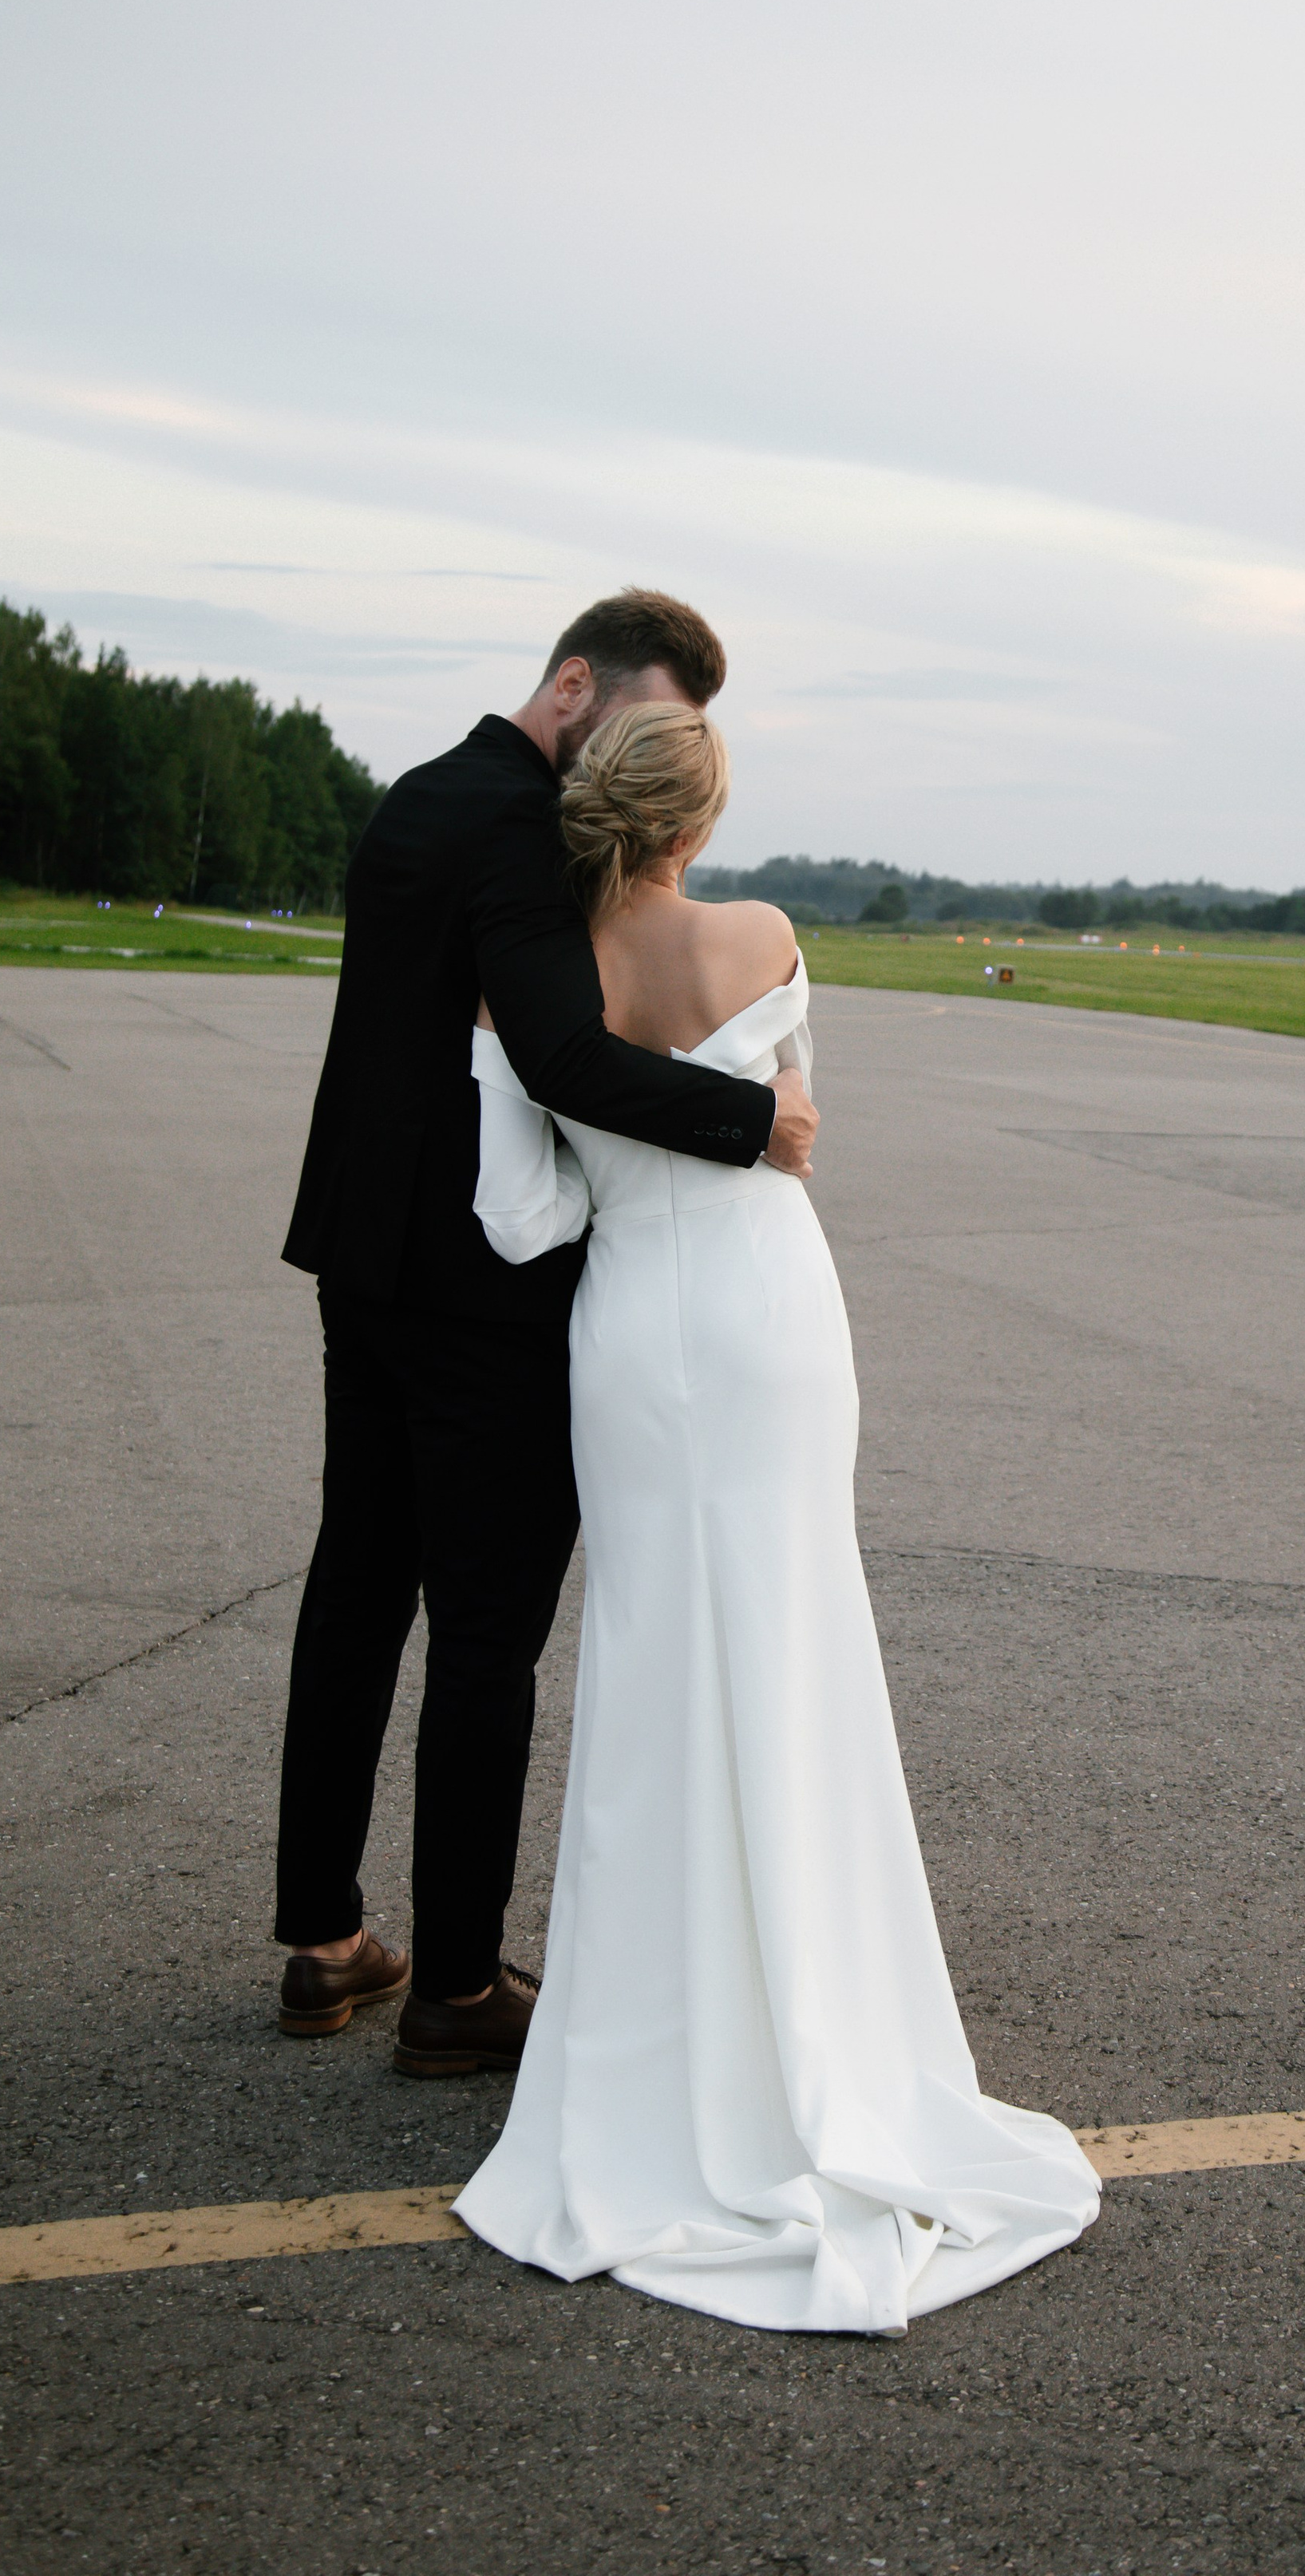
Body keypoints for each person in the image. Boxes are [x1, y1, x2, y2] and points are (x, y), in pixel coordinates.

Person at [451, 700, 1100, 2332]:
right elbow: (797, 1140)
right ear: (695, 823)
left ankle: (657, 2055)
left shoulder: (533, 985)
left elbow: (522, 1222)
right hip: (768, 1319)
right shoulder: (764, 935)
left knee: (655, 1672)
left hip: (631, 1336)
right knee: (799, 1651)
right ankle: (827, 2033)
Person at [271, 591, 818, 2066]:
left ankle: (323, 1941)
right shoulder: (517, 828)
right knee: (489, 1632)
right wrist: (750, 1117)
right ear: (573, 682)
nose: (637, 756)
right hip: (478, 1292)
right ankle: (454, 1987)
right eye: (639, 723)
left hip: (361, 1260)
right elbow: (566, 1061)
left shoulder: (415, 799)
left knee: (356, 1587)